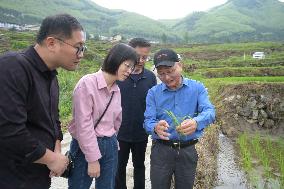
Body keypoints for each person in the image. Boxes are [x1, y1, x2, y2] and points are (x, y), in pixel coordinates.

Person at [0, 14, 86, 189]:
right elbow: (9, 130)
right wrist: (52, 159)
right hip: (13, 178)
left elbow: (53, 120)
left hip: (37, 177)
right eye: (78, 47)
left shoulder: (51, 77)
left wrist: (56, 147)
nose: (81, 54)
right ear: (52, 43)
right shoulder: (13, 67)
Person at [68, 43, 138, 189]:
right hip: (85, 146)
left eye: (132, 68)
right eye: (127, 65)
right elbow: (84, 125)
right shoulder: (87, 84)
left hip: (110, 145)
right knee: (79, 186)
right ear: (116, 59)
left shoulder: (116, 90)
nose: (129, 71)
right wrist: (93, 159)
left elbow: (116, 122)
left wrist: (113, 142)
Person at [144, 49, 215, 189]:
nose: (167, 77)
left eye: (170, 71)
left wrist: (196, 122)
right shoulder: (153, 93)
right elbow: (147, 121)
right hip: (161, 151)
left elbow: (210, 111)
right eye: (161, 73)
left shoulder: (197, 88)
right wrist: (155, 127)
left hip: (187, 151)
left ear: (180, 65)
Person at [115, 38, 157, 189]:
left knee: (139, 166)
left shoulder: (151, 78)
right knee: (118, 168)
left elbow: (153, 106)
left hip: (141, 133)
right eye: (137, 55)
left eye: (145, 57)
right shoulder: (119, 76)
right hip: (119, 133)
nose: (140, 60)